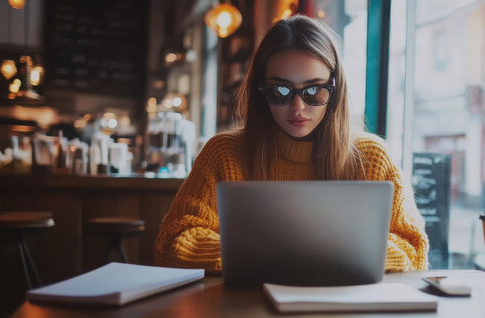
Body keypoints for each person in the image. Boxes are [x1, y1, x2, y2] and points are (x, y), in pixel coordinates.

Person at [155, 15, 428, 278]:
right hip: (246, 311)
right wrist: (300, 255)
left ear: (335, 88)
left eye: (313, 91)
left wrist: (269, 254)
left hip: (346, 312)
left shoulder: (371, 157)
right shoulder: (224, 153)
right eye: (280, 91)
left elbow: (413, 248)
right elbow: (173, 243)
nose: (298, 108)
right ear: (262, 91)